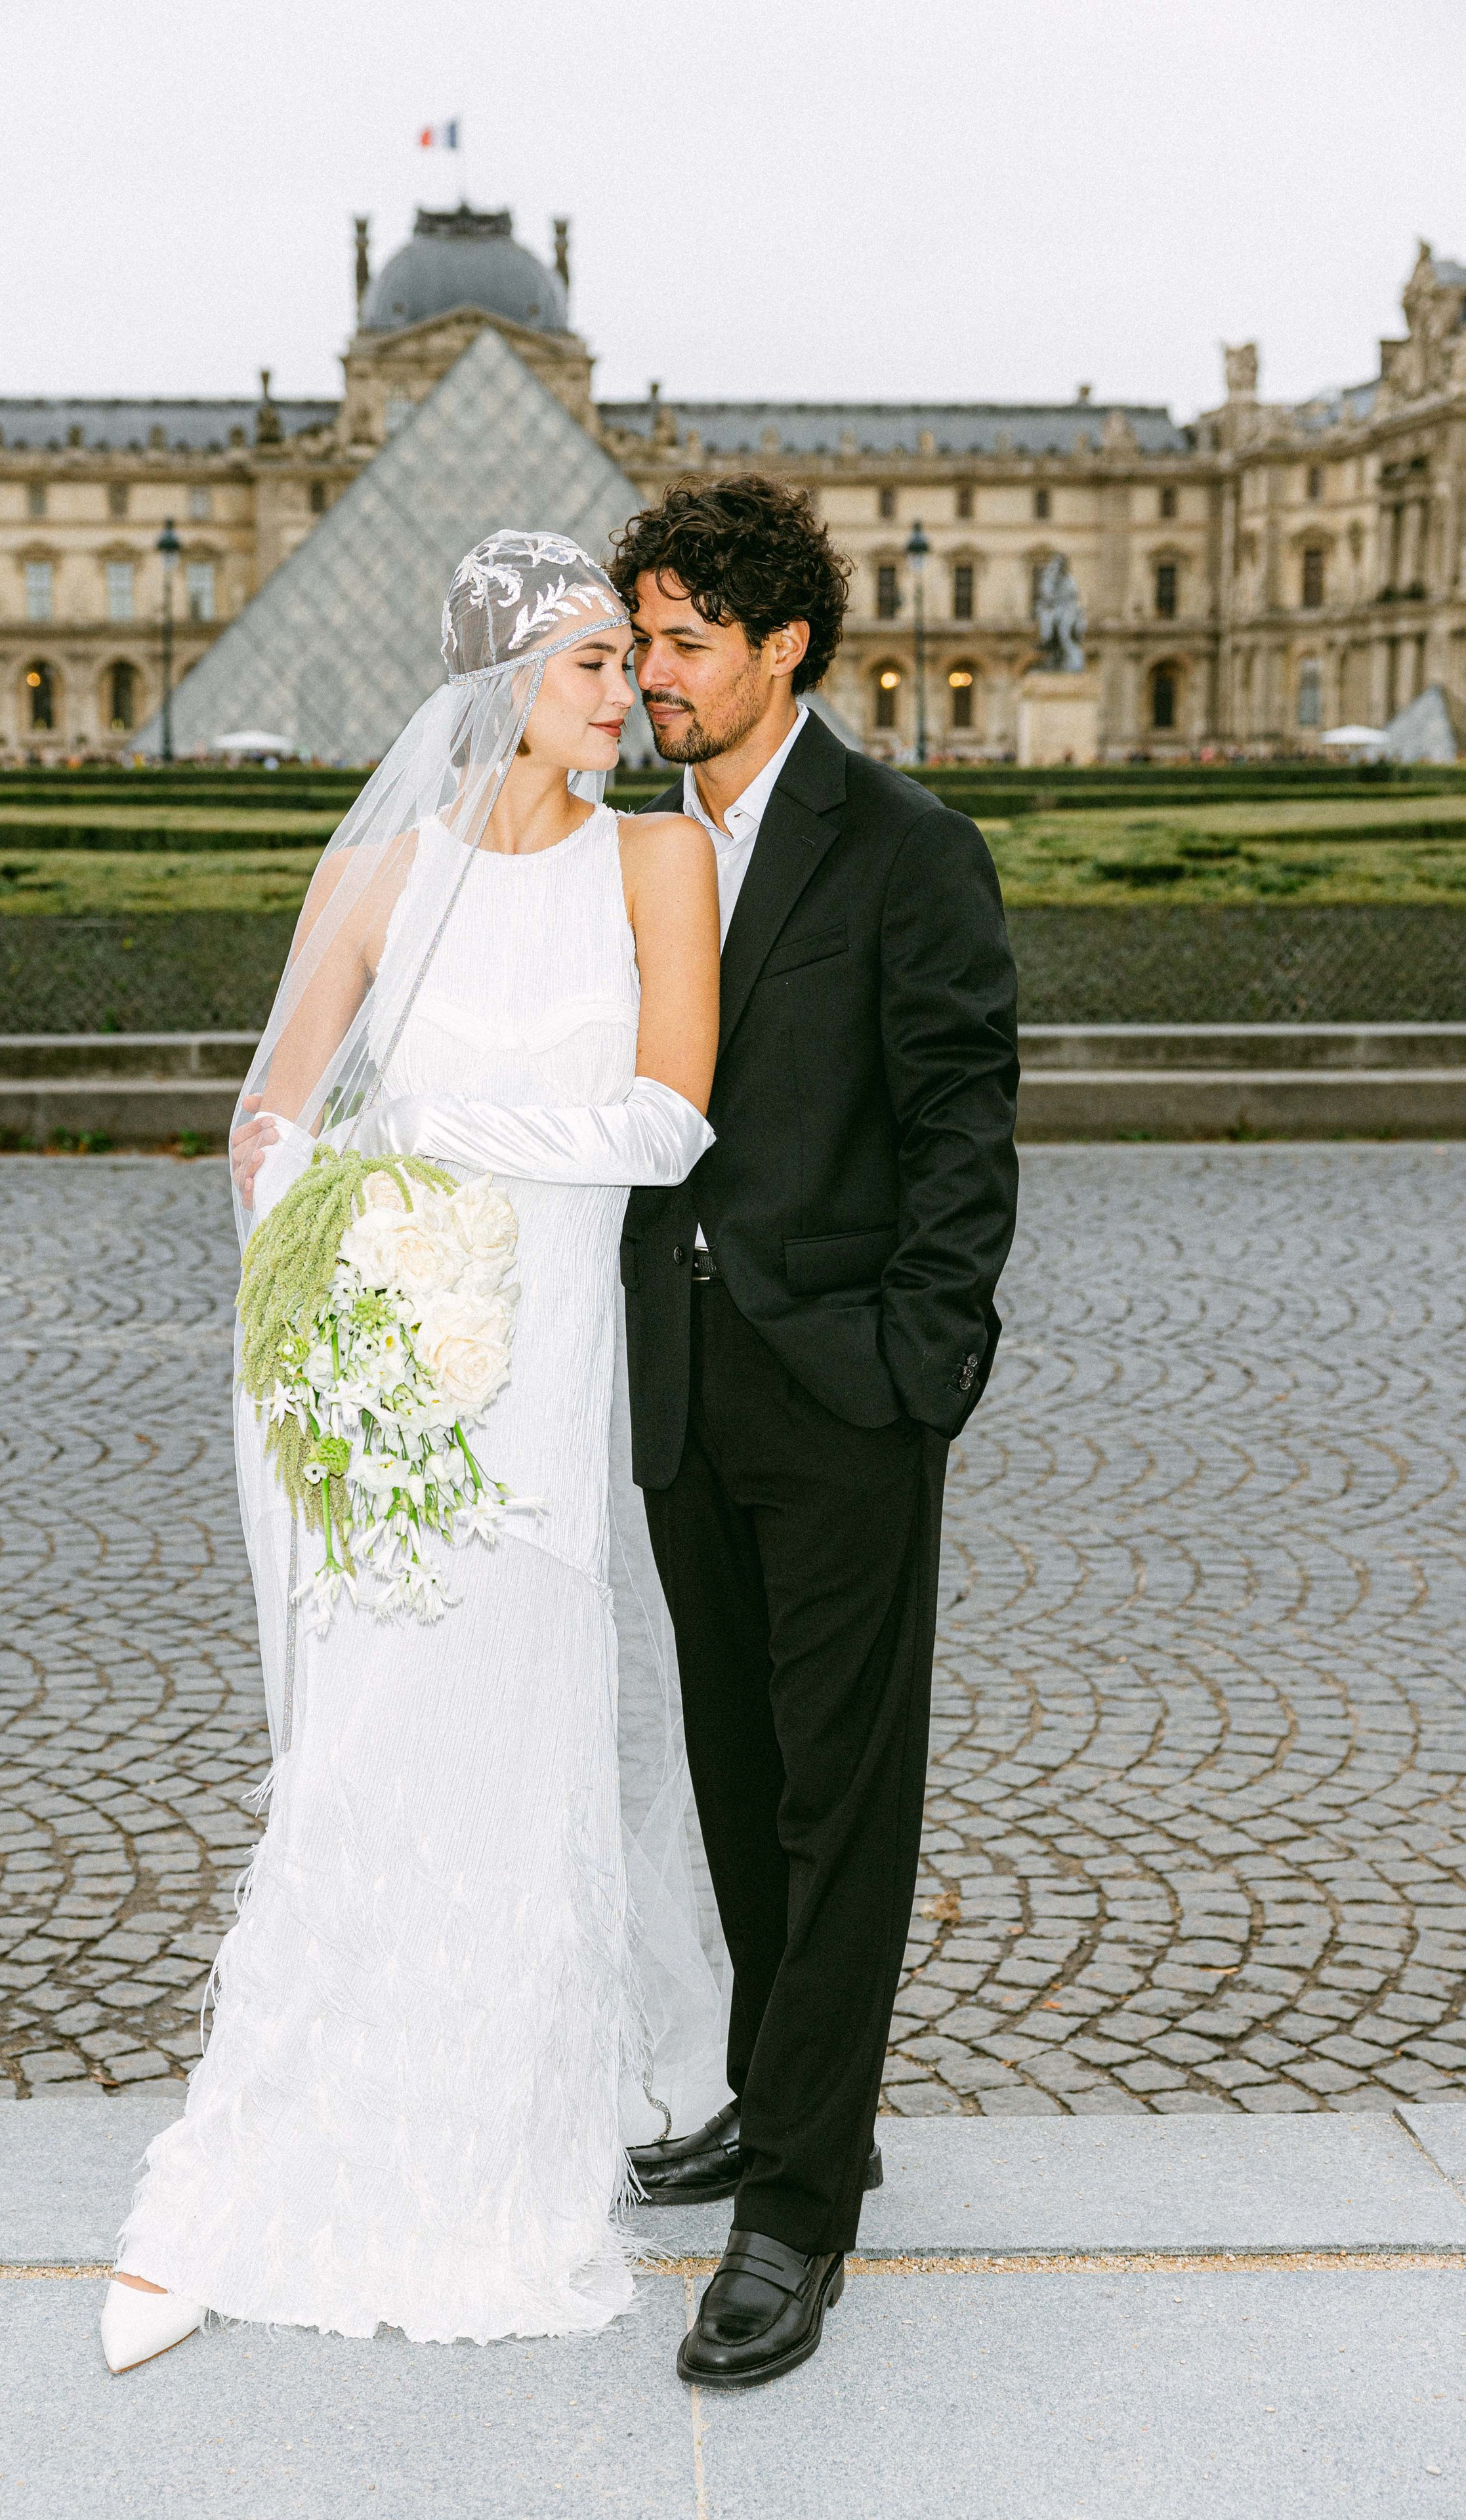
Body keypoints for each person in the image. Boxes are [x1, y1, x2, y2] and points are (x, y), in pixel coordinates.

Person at [100, 533, 727, 2370]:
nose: (630, 689)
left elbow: (669, 1122)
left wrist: (438, 1138)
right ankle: (273, 2150)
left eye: (629, 659)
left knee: (519, 1763)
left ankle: (495, 2158)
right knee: (364, 1765)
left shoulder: (658, 857)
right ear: (501, 682)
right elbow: (272, 1125)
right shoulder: (381, 870)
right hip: (395, 1381)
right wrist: (345, 1264)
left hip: (544, 1384)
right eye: (593, 662)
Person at [612, 478, 1019, 2387]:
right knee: (735, 1767)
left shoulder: (908, 846)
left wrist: (919, 1368)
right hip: (683, 1385)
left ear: (786, 648)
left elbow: (963, 1128)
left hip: (847, 1393)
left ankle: (795, 2218)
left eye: (686, 641)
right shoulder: (629, 846)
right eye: (642, 638)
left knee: (842, 1805)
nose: (651, 673)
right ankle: (791, 2104)